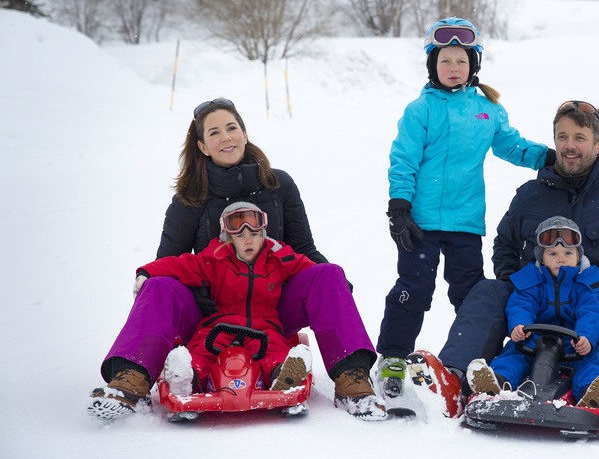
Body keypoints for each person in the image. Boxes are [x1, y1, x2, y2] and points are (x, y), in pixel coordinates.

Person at [408, 100, 599, 444]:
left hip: (598, 309)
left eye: (580, 137)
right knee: (487, 292)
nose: (569, 146)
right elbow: (505, 246)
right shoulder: (529, 196)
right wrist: (517, 284)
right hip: (534, 304)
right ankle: (453, 381)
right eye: (562, 137)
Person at [88, 98, 384, 421]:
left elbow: (304, 250)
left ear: (244, 133)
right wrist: (151, 278)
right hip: (209, 315)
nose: (226, 137)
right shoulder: (190, 198)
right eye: (214, 133)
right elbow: (171, 263)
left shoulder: (279, 185)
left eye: (232, 128)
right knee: (159, 286)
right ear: (201, 145)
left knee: (327, 274)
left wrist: (334, 285)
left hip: (271, 306)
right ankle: (129, 380)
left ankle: (353, 382)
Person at [377, 17, 554, 405]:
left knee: (471, 295)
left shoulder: (487, 108)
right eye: (445, 61)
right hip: (420, 221)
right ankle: (391, 358)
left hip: (465, 222)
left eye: (461, 61)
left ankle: (474, 360)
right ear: (432, 66)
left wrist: (548, 157)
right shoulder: (420, 110)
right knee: (413, 290)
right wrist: (399, 207)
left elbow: (511, 145)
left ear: (474, 65)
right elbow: (403, 159)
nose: (453, 68)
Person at [138, 203, 317, 398]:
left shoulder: (280, 258)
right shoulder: (215, 259)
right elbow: (180, 265)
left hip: (265, 327)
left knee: (274, 352)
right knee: (201, 351)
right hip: (219, 325)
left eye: (254, 235)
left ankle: (284, 375)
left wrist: (333, 286)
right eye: (240, 236)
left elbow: (311, 271)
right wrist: (147, 272)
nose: (248, 241)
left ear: (263, 234)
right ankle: (187, 378)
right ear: (229, 238)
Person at [466, 216, 599, 410]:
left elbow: (591, 312)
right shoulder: (532, 280)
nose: (560, 258)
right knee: (513, 353)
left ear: (578, 257)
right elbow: (521, 304)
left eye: (568, 253)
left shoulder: (585, 282)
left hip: (574, 341)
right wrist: (519, 326)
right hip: (535, 338)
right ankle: (497, 382)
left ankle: (592, 391)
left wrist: (586, 337)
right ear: (542, 257)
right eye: (553, 254)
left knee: (594, 357)